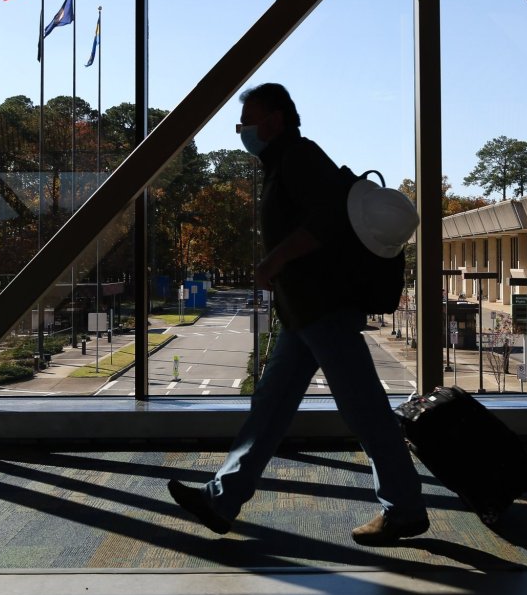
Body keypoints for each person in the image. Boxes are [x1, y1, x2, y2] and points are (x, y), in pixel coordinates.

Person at [167, 83, 428, 546]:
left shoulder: (300, 158)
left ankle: (404, 509)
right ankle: (222, 499)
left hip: (323, 307)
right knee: (270, 408)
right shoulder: (282, 162)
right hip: (304, 312)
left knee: (364, 410)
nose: (242, 130)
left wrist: (275, 261)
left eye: (248, 121)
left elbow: (326, 222)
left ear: (274, 120)